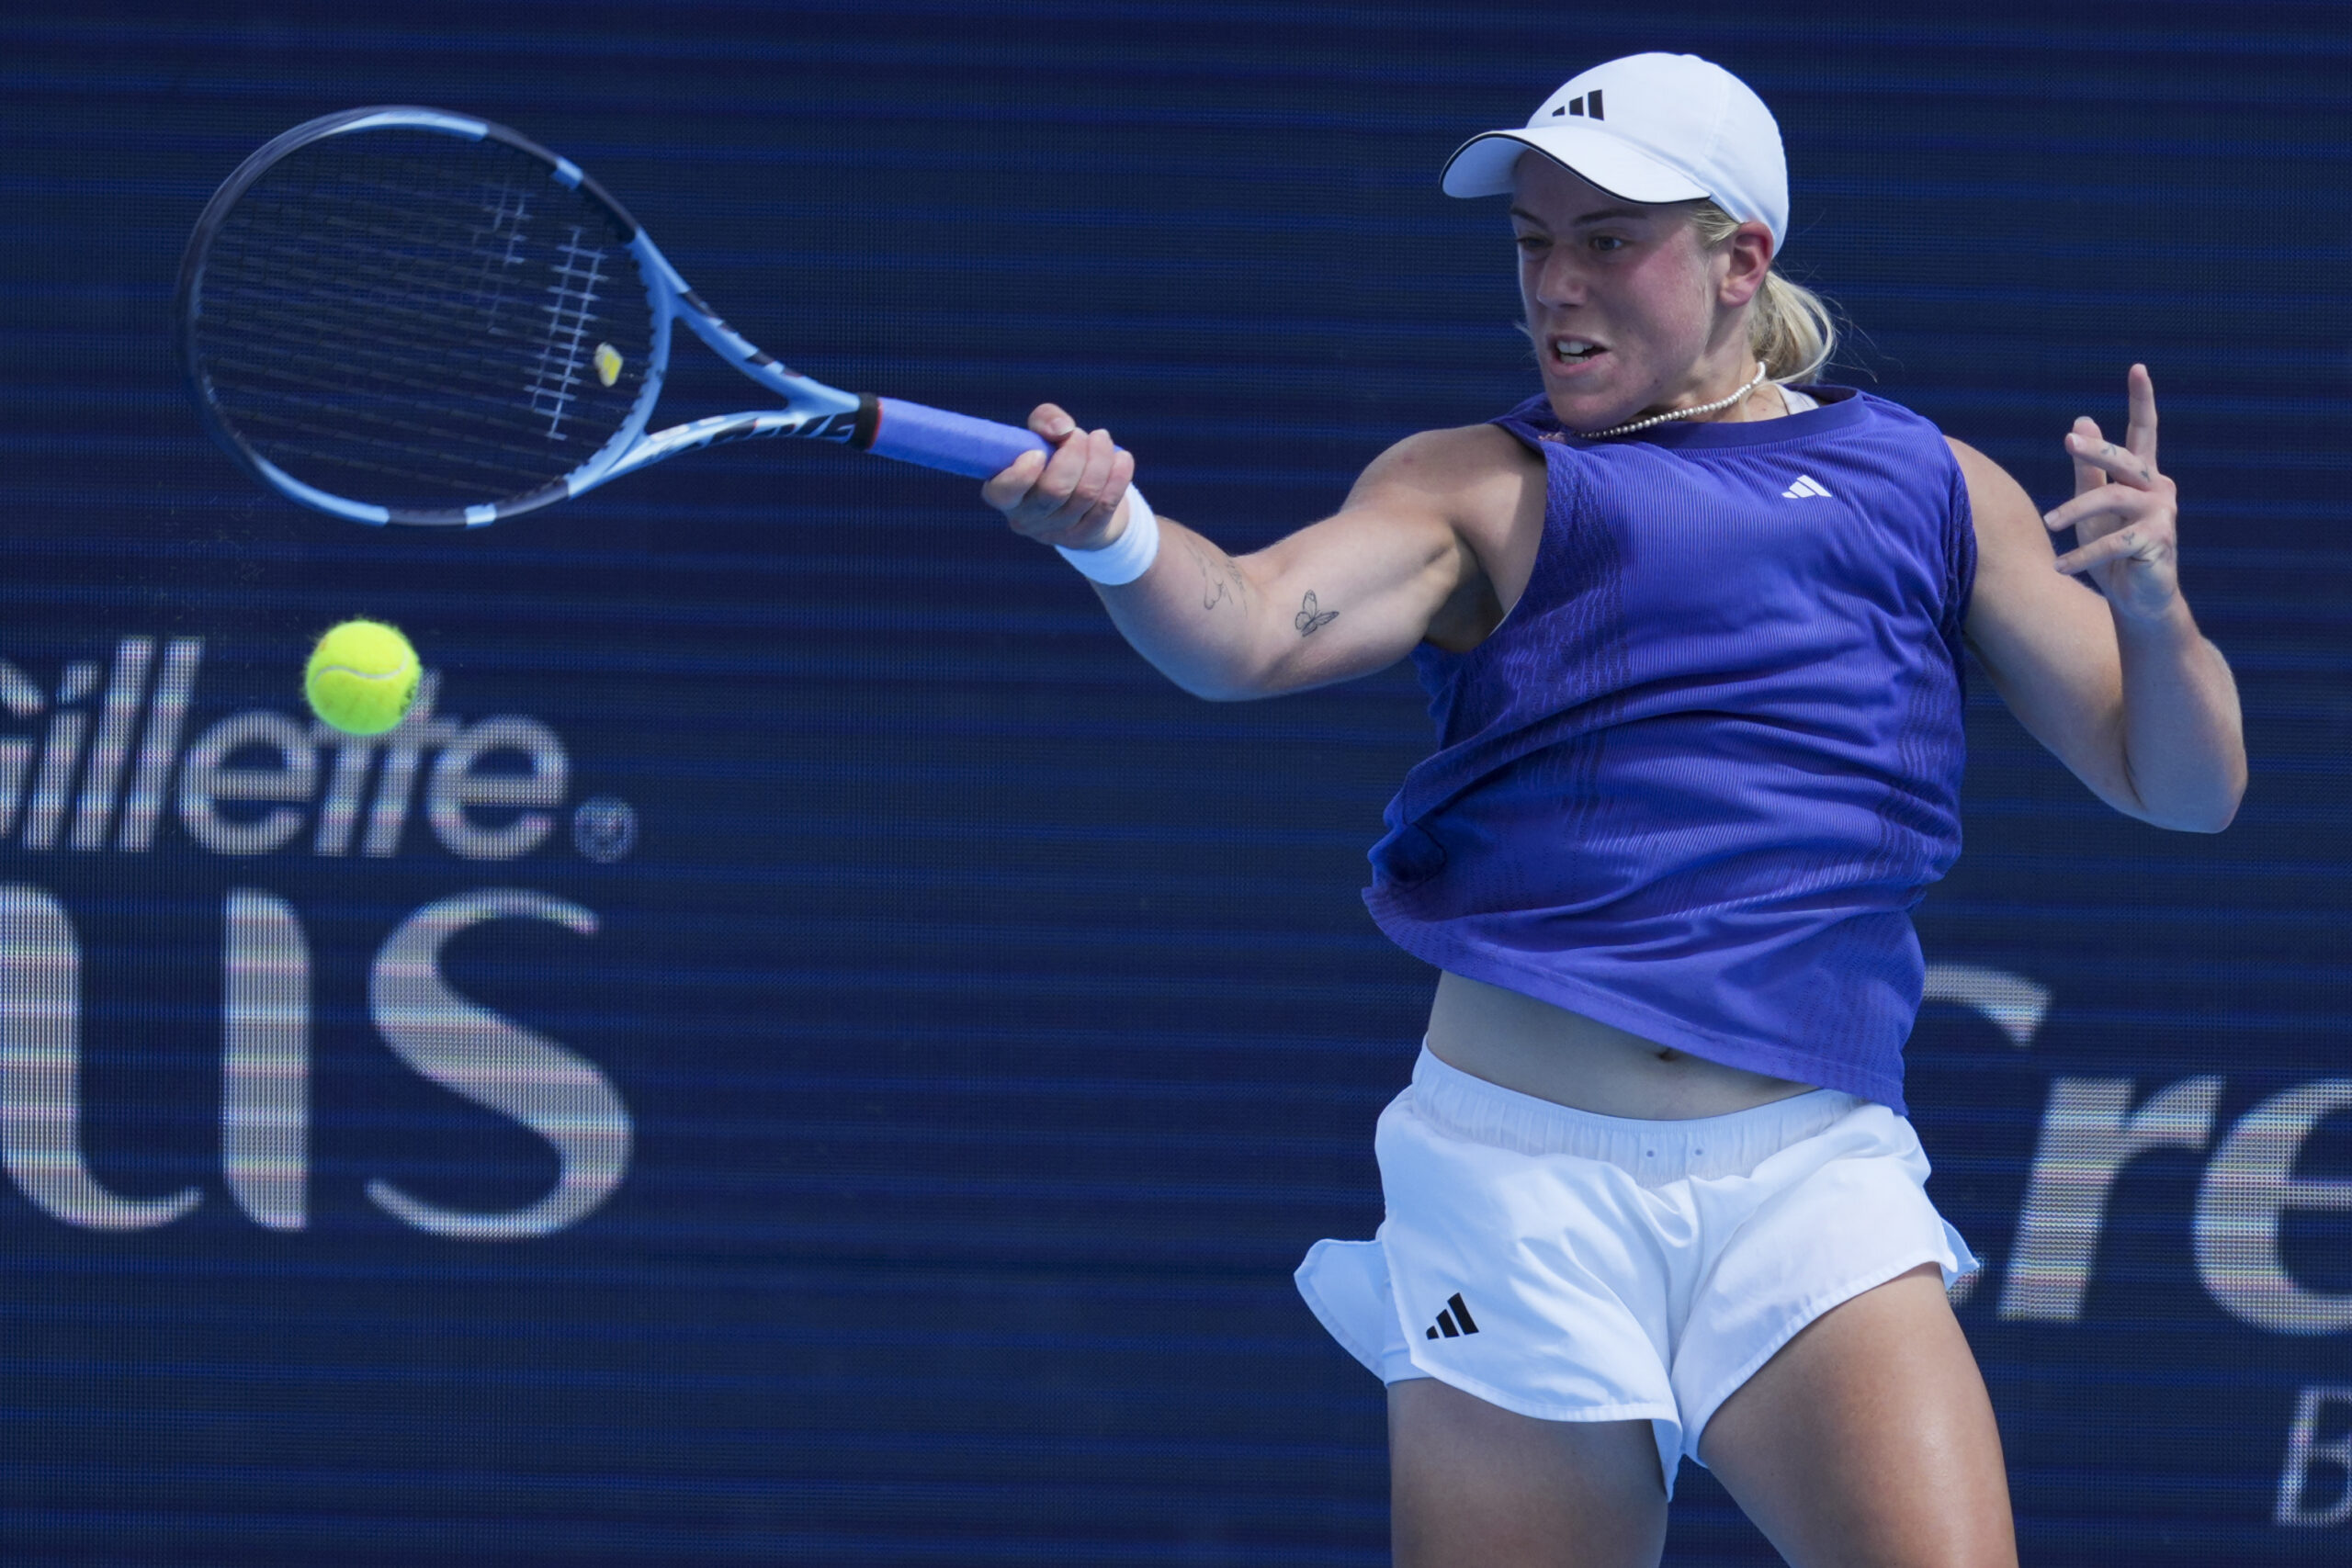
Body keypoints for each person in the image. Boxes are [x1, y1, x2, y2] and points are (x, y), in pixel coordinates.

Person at [980, 52, 2244, 1568]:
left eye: (1606, 241)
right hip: (1514, 1189)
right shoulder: (1483, 489)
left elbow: (2182, 789)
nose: (1555, 286)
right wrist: (1114, 532)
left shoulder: (1928, 487)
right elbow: (1247, 626)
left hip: (1806, 1178)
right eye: (1531, 244)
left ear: (1738, 263)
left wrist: (2157, 610)